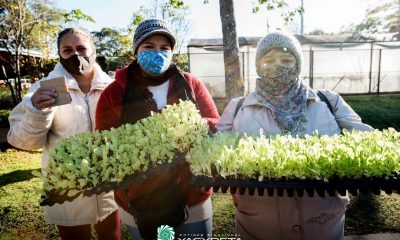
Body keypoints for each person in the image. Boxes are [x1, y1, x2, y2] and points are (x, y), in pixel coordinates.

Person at [216, 31, 373, 240]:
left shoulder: (329, 102)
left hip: (323, 225)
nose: (277, 65)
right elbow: (214, 153)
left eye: (287, 60)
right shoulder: (238, 108)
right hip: (257, 227)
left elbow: (368, 143)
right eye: (268, 60)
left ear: (297, 64)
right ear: (258, 66)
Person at [95, 19, 220, 239]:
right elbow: (104, 145)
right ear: (136, 51)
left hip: (192, 198)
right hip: (138, 201)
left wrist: (194, 128)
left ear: (172, 52)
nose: (157, 53)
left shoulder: (191, 84)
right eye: (148, 47)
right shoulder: (114, 93)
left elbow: (216, 124)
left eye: (164, 48)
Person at [7, 27, 120, 240]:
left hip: (108, 187)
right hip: (68, 190)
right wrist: (37, 110)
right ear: (59, 54)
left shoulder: (114, 88)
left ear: (93, 50)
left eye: (81, 48)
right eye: (67, 50)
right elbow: (22, 140)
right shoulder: (41, 89)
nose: (75, 55)